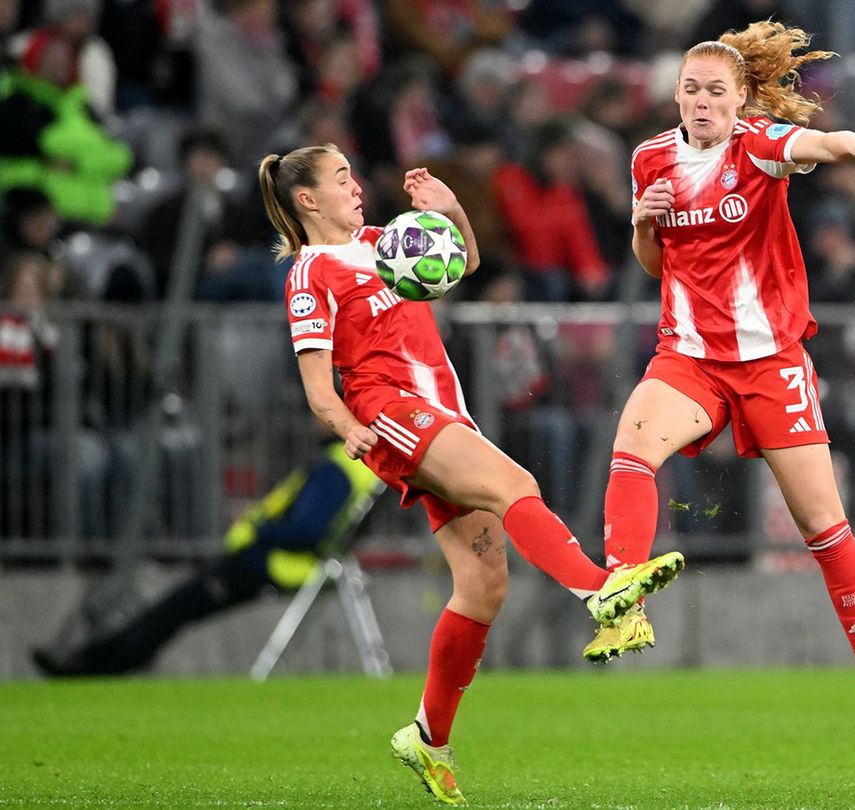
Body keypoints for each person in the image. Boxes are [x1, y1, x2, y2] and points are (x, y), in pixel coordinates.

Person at [256, 144, 683, 805]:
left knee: (483, 585)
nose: (357, 185)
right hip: (392, 412)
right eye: (342, 178)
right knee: (518, 486)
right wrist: (348, 428)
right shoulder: (310, 274)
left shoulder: (383, 241)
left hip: (442, 412)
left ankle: (427, 737)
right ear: (308, 200)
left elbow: (465, 263)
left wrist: (451, 211)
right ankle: (600, 594)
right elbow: (319, 386)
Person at [588, 20, 855, 746]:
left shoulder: (757, 146)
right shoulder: (648, 161)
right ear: (676, 95)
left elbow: (818, 145)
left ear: (741, 100)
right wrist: (642, 228)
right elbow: (657, 266)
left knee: (822, 529)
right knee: (633, 442)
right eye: (691, 90)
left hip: (771, 362)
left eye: (716, 92)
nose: (702, 102)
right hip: (692, 357)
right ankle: (624, 596)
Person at [30, 440, 385, 676]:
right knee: (175, 609)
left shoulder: (338, 466)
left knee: (175, 608)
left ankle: (94, 665)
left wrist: (258, 525)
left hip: (268, 562)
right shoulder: (361, 468)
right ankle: (98, 660)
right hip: (276, 563)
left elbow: (307, 530)